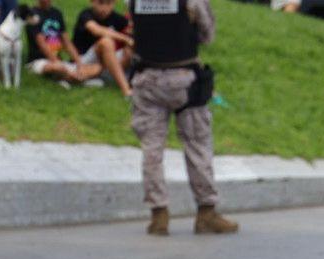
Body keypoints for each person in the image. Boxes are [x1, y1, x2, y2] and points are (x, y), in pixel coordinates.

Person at [128, 0, 238, 236]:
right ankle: (206, 212)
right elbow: (207, 35)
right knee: (197, 145)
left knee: (152, 149)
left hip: (146, 79)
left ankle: (159, 216)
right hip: (185, 80)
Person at [71, 0, 133, 96]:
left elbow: (132, 34)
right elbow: (96, 30)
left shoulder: (117, 18)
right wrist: (125, 38)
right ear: (92, 2)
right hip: (83, 60)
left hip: (105, 62)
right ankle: (126, 90)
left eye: (108, 3)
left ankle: (97, 73)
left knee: (130, 49)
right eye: (100, 3)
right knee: (106, 42)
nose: (104, 8)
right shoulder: (86, 15)